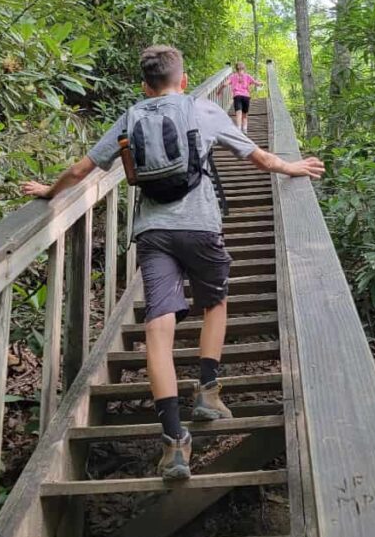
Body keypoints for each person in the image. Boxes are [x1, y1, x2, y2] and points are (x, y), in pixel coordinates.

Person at [21, 45, 324, 481]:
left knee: (157, 330)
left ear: (145, 85)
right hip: (201, 227)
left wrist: (50, 191)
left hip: (153, 232)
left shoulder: (132, 116)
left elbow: (82, 167)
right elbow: (258, 158)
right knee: (214, 302)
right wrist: (292, 167)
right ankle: (207, 389)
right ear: (183, 80)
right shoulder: (202, 109)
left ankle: (173, 442)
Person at [228, 61, 262, 133]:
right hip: (246, 97)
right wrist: (260, 83)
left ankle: (238, 129)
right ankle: (245, 130)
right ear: (244, 68)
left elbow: (225, 84)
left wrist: (220, 89)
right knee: (245, 115)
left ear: (236, 68)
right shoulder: (247, 76)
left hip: (237, 96)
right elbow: (256, 83)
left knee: (238, 113)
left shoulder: (232, 76)